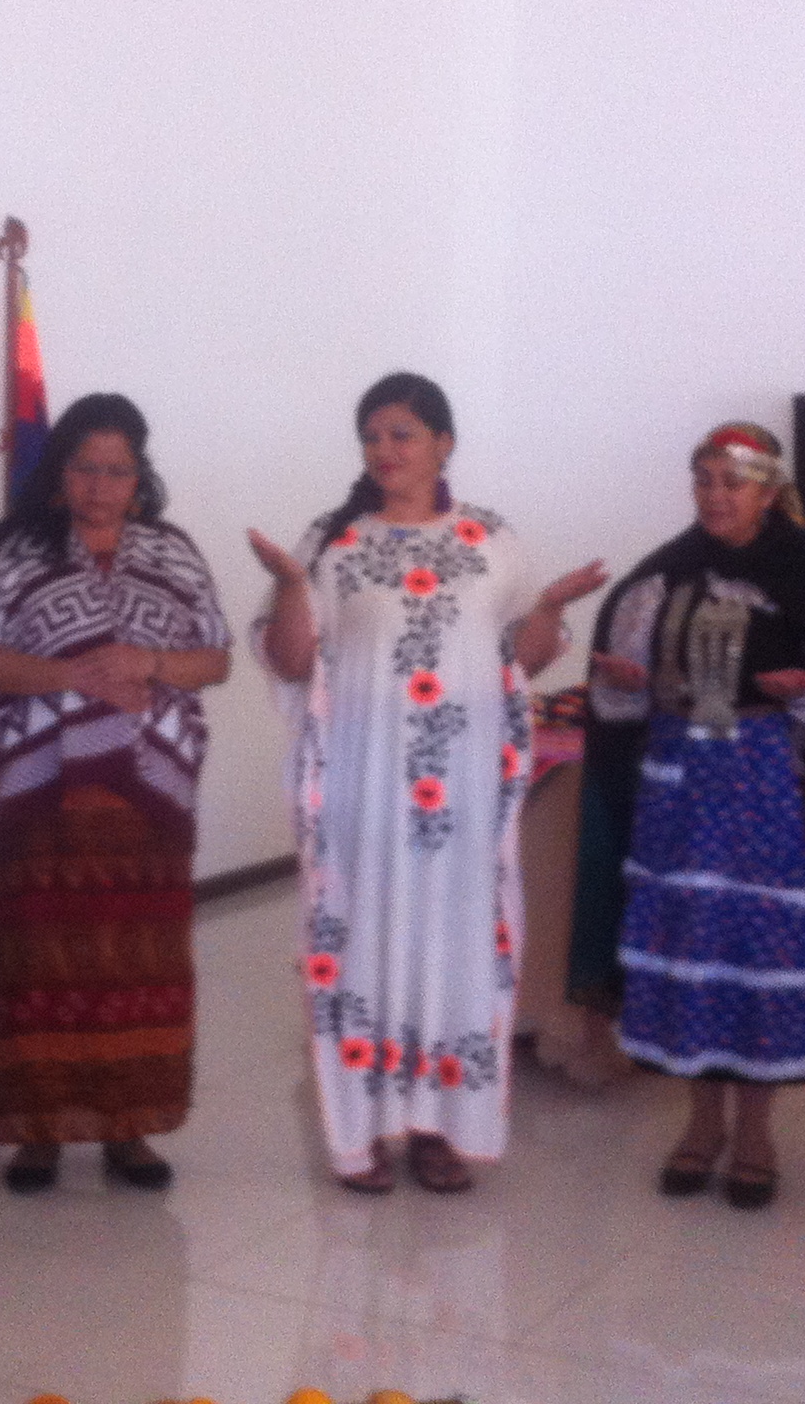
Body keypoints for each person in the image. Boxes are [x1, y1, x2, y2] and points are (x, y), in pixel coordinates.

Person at [248, 372, 606, 1194]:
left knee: (455, 951)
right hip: (363, 788)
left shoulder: (489, 540)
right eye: (372, 436)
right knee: (364, 944)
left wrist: (548, 605)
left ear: (445, 443)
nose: (385, 452)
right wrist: (295, 585)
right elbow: (291, 663)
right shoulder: (332, 540)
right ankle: (362, 1131)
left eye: (402, 434)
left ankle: (441, 1128)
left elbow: (525, 660)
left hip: (461, 795)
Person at [567, 421, 805, 1211]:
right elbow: (625, 703)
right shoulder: (666, 574)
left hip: (760, 790)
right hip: (675, 786)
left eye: (732, 482)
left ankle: (755, 1133)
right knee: (686, 944)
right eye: (704, 479)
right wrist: (620, 681)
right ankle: (699, 1124)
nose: (715, 496)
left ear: (769, 492)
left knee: (751, 949)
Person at [0, 392, 234, 1192]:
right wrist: (66, 675)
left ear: (139, 476)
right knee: (39, 959)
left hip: (150, 800)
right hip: (43, 798)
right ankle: (38, 1133)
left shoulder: (174, 552)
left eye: (117, 471)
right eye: (85, 468)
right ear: (59, 471)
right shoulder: (15, 552)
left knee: (140, 962)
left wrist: (149, 662)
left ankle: (130, 1131)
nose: (100, 486)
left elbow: (216, 657)